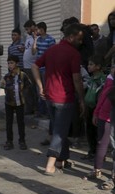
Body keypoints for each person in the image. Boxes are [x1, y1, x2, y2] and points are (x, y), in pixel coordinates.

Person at [33, 23, 86, 176]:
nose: (81, 42)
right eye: (79, 38)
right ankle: (50, 165)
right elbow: (77, 79)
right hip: (64, 98)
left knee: (59, 128)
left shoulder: (52, 50)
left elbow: (35, 66)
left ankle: (62, 160)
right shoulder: (73, 54)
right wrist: (81, 99)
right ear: (70, 37)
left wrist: (40, 87)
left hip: (49, 97)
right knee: (59, 132)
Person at [86, 64, 114, 186]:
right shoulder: (109, 82)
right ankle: (97, 169)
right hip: (104, 116)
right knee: (101, 143)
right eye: (113, 66)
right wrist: (96, 113)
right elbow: (102, 97)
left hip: (110, 118)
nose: (113, 69)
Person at [2, 55, 30, 150]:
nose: (10, 65)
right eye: (8, 63)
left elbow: (28, 86)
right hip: (9, 103)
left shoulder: (23, 75)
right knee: (9, 123)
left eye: (12, 63)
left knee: (20, 122)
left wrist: (23, 95)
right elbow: (3, 87)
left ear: (17, 64)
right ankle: (9, 141)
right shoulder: (6, 76)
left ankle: (22, 141)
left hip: (20, 103)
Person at [82, 55, 106, 159]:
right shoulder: (91, 78)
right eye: (88, 64)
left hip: (97, 109)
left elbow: (102, 97)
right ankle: (92, 151)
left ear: (98, 66)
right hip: (89, 107)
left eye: (91, 64)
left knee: (97, 132)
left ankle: (99, 154)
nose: (88, 66)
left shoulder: (102, 80)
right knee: (89, 130)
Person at [22, 20, 39, 115]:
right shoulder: (28, 38)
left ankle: (36, 108)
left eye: (28, 29)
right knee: (27, 88)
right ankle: (29, 108)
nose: (27, 31)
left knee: (33, 89)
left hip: (33, 67)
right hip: (26, 67)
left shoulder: (38, 37)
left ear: (33, 27)